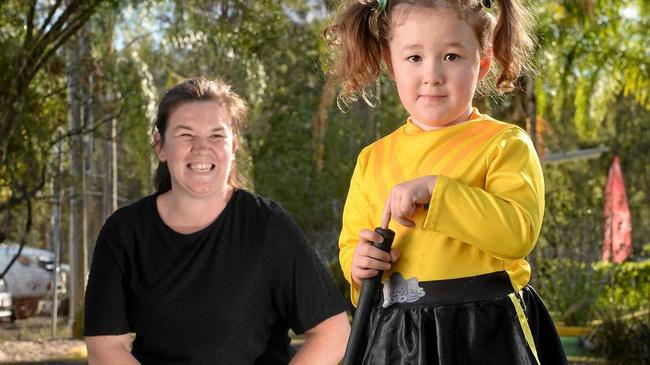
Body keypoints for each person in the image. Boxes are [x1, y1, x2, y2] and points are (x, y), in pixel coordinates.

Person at [326, 0, 568, 364]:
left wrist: (436, 191)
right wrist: (358, 265)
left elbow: (518, 233)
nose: (433, 75)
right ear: (391, 64)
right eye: (414, 58)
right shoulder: (372, 159)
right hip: (396, 338)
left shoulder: (504, 144)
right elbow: (352, 247)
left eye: (452, 57)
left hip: (488, 331)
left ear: (482, 62)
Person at [84, 77, 350, 365]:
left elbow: (333, 332)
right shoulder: (124, 233)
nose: (202, 148)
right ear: (160, 146)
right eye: (186, 135)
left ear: (233, 147)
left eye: (216, 136)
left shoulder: (268, 227)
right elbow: (105, 347)